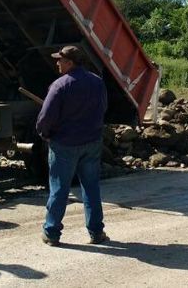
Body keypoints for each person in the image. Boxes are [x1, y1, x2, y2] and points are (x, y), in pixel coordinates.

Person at [36, 45, 108, 246]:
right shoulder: (97, 82)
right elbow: (104, 107)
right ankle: (96, 232)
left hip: (65, 144)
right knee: (91, 188)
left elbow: (45, 117)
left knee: (59, 189)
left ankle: (51, 232)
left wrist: (45, 134)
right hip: (92, 142)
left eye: (60, 60)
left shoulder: (60, 85)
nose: (57, 63)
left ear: (70, 62)